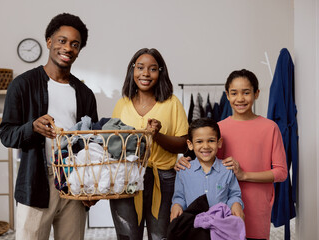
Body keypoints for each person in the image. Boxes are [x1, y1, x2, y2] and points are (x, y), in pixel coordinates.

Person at [0, 13, 98, 240]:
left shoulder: (85, 94)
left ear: (79, 50)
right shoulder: (22, 85)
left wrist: (90, 186)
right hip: (36, 181)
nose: (68, 48)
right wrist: (31, 128)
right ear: (49, 42)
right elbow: (6, 134)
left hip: (74, 182)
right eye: (62, 41)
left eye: (75, 44)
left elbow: (93, 144)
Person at [175, 69, 287, 240]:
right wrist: (184, 161)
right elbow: (206, 158)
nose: (240, 98)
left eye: (246, 92)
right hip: (220, 209)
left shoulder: (270, 128)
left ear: (256, 94)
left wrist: (244, 175)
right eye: (234, 93)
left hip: (256, 205)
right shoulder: (219, 128)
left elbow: (281, 172)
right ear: (227, 95)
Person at [109, 48, 189, 240]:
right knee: (127, 236)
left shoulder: (172, 103)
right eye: (140, 68)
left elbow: (183, 145)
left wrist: (157, 135)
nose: (145, 73)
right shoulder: (123, 104)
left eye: (152, 69)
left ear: (160, 72)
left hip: (163, 178)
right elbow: (112, 144)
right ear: (132, 70)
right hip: (127, 177)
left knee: (161, 236)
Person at [170, 118, 244, 222]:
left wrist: (236, 204)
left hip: (220, 225)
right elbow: (179, 196)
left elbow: (234, 195)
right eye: (199, 141)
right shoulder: (183, 170)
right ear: (190, 144)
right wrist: (177, 205)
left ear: (219, 142)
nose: (205, 146)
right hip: (192, 226)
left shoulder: (227, 169)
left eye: (211, 141)